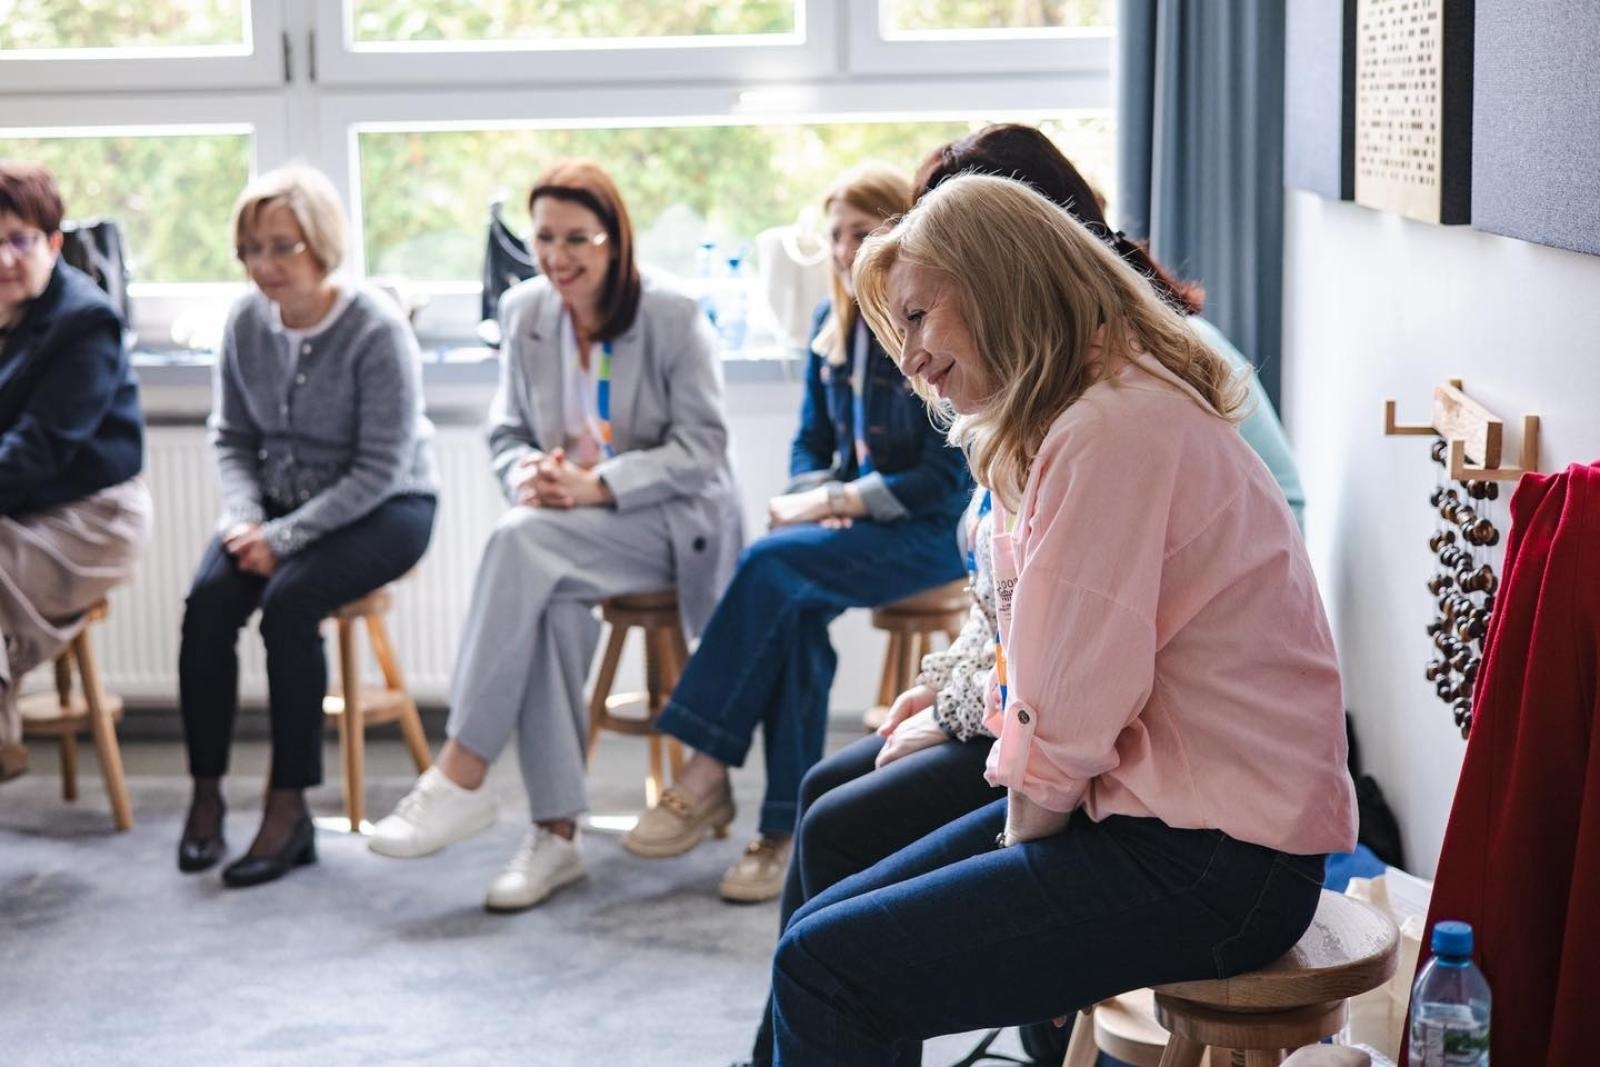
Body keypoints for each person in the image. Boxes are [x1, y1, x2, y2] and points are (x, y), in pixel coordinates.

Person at [740, 123, 1316, 1066]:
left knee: (831, 966)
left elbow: (1066, 708)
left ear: (1000, 286)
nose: (912, 358)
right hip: (1154, 814)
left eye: (920, 318)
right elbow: (1042, 666)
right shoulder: (1086, 412)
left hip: (1213, 859)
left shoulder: (1109, 433)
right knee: (830, 931)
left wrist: (1016, 858)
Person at [367, 159, 744, 913]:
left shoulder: (669, 314)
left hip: (666, 521)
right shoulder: (525, 311)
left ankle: (463, 768)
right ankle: (557, 836)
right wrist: (527, 474)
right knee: (545, 599)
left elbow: (703, 445)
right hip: (563, 525)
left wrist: (598, 484)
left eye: (578, 238)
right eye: (544, 237)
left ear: (615, 242)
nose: (558, 256)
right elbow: (504, 429)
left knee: (517, 544)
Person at [619, 163, 972, 904]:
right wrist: (820, 493)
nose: (845, 251)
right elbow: (809, 443)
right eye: (836, 235)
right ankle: (781, 833)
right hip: (851, 524)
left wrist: (836, 500)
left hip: (928, 534)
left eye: (862, 233)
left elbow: (940, 486)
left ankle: (708, 769)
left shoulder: (919, 327)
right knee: (796, 616)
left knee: (774, 569)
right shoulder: (828, 325)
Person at [177, 164, 438, 888]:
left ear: (321, 245)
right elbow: (231, 437)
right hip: (272, 508)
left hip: (387, 507)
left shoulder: (374, 329)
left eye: (282, 247)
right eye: (251, 250)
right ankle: (205, 793)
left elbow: (380, 469)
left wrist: (283, 540)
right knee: (206, 605)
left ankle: (288, 808)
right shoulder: (244, 322)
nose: (265, 266)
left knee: (290, 605)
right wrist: (244, 519)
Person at [0, 161, 151, 782]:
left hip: (91, 513)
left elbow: (39, 451)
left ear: (54, 242)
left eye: (19, 239)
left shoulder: (85, 320)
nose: (4, 258)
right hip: (16, 502)